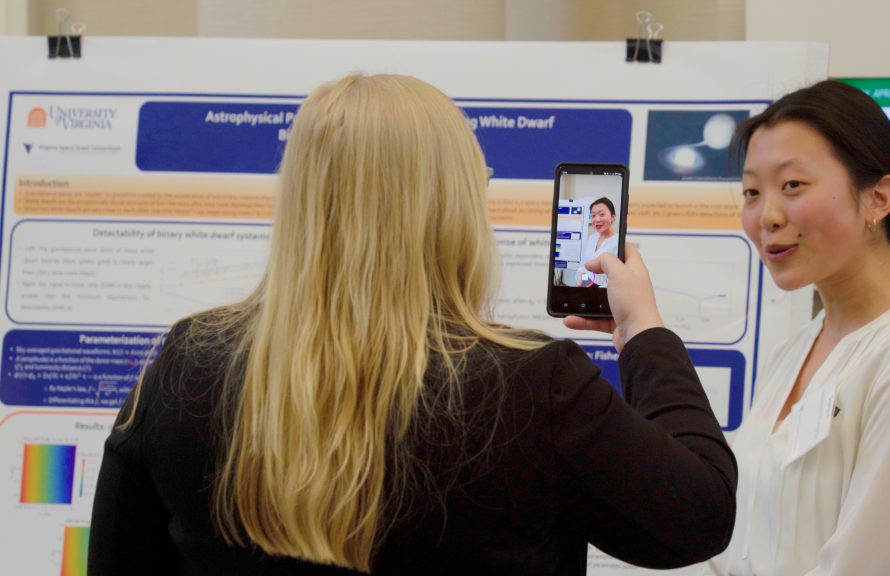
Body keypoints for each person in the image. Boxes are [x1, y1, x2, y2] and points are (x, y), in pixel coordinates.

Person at [88, 73, 737, 575]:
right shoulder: (534, 386)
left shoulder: (190, 363)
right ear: (453, 206)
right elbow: (699, 515)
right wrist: (644, 332)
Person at [705, 80, 890, 575]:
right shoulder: (797, 348)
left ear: (879, 197)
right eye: (752, 192)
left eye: (793, 185)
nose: (767, 216)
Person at [576, 197, 619, 287]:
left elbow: (613, 278)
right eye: (593, 216)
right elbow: (583, 266)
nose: (597, 220)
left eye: (602, 214)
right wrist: (578, 286)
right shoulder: (592, 238)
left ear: (613, 217)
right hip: (586, 283)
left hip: (604, 290)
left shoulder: (618, 241)